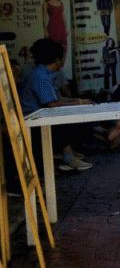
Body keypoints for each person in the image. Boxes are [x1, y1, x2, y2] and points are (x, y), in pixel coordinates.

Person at [18, 38, 93, 170]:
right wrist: (79, 103)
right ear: (57, 60)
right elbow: (53, 104)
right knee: (62, 121)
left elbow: (58, 98)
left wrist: (81, 102)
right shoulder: (40, 76)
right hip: (30, 120)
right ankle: (68, 157)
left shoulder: (43, 73)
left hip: (36, 115)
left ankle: (67, 154)